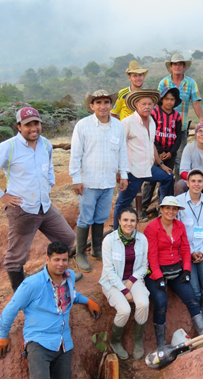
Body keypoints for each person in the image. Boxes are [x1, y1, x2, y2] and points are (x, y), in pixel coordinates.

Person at [0, 107, 80, 292]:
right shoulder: (9, 147)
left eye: (36, 123)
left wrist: (49, 183)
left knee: (67, 237)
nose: (33, 128)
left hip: (44, 206)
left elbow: (48, 167)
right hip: (22, 209)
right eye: (28, 124)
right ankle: (21, 294)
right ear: (19, 126)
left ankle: (57, 277)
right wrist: (1, 195)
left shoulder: (45, 144)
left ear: (40, 124)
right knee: (16, 257)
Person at [0, 242, 101, 379]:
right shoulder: (32, 284)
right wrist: (2, 335)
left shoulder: (69, 277)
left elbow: (72, 295)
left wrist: (88, 301)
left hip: (64, 343)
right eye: (56, 260)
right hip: (39, 342)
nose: (61, 264)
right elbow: (12, 308)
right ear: (47, 259)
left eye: (64, 260)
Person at [70, 90, 130, 273]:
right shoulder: (83, 126)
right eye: (98, 103)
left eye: (106, 102)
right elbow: (76, 154)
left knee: (102, 216)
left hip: (107, 181)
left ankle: (96, 250)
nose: (103, 106)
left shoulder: (118, 126)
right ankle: (80, 253)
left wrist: (124, 174)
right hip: (88, 181)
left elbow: (122, 152)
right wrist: (76, 179)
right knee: (85, 217)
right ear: (91, 106)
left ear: (111, 105)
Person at [144, 196, 203, 347]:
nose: (170, 211)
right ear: (161, 209)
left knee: (191, 299)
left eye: (174, 209)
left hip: (175, 269)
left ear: (178, 211)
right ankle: (161, 345)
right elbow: (151, 255)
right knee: (161, 302)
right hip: (156, 272)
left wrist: (186, 269)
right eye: (167, 208)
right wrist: (158, 277)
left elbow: (185, 249)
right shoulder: (152, 228)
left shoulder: (180, 226)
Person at [113, 89, 175, 229]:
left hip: (148, 167)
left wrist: (160, 164)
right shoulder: (128, 122)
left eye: (150, 104)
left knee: (168, 176)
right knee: (123, 202)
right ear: (136, 105)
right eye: (144, 104)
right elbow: (117, 146)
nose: (147, 106)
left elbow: (150, 143)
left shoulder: (151, 121)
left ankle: (164, 211)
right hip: (133, 170)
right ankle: (117, 233)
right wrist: (119, 172)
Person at [99, 207, 149, 360]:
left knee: (143, 304)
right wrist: (124, 290)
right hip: (112, 281)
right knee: (125, 310)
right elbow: (108, 270)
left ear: (137, 222)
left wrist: (131, 282)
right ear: (119, 221)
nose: (129, 223)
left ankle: (137, 340)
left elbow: (144, 266)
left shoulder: (142, 239)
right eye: (125, 220)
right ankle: (115, 341)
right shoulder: (109, 240)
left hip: (133, 279)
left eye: (132, 220)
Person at [176, 169, 203, 331]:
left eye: (199, 181)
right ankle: (200, 330)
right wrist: (191, 252)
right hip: (186, 253)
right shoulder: (178, 202)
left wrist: (202, 251)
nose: (196, 184)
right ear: (187, 183)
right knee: (194, 291)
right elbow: (178, 233)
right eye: (193, 181)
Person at [158, 54, 203, 171]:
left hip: (181, 127)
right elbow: (157, 104)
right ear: (171, 66)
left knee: (180, 159)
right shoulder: (163, 83)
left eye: (180, 64)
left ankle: (179, 187)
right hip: (163, 128)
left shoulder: (191, 83)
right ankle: (163, 187)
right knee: (161, 159)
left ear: (184, 67)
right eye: (175, 64)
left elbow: (195, 102)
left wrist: (201, 119)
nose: (177, 67)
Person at [141, 87, 182, 218]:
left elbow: (179, 136)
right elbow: (150, 135)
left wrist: (170, 152)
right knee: (151, 180)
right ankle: (143, 208)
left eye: (172, 99)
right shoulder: (154, 113)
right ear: (161, 100)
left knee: (167, 179)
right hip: (154, 152)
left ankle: (162, 208)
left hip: (170, 153)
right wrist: (159, 152)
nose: (169, 102)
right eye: (167, 99)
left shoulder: (177, 116)